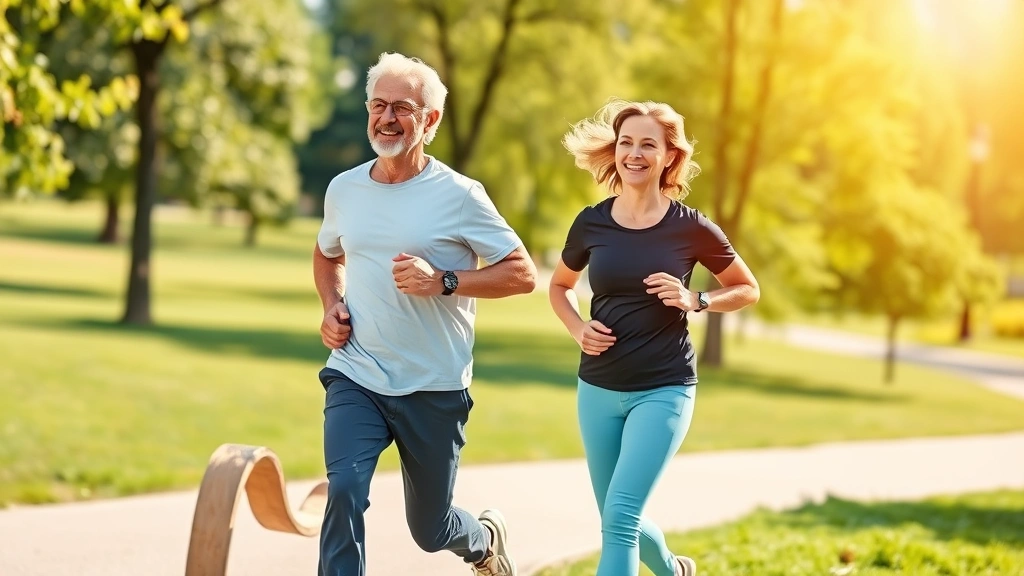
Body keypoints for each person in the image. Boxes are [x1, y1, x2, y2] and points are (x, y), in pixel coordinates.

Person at [312, 51, 536, 576]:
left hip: (433, 384)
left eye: (403, 108)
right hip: (358, 372)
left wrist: (445, 281)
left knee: (430, 529)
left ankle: (482, 542)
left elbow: (522, 272)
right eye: (378, 105)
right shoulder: (344, 188)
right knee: (343, 489)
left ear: (429, 120)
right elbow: (327, 254)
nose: (387, 118)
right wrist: (331, 304)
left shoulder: (460, 196)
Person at [548, 100, 760, 576]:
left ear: (669, 156)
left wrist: (696, 300)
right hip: (597, 387)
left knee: (620, 516)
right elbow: (559, 286)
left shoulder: (692, 227)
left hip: (663, 389)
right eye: (626, 142)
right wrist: (578, 327)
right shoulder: (592, 222)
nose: (635, 153)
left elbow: (748, 288)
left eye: (648, 144)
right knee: (616, 516)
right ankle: (674, 570)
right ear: (615, 151)